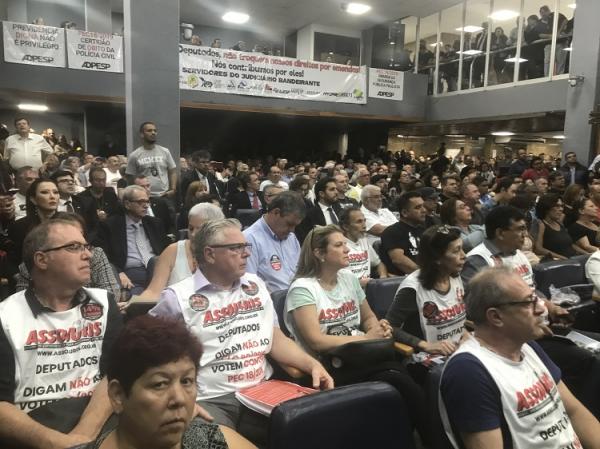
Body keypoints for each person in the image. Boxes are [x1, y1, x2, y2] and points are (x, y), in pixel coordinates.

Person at [150, 219, 333, 438]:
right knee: (206, 440)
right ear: (210, 254)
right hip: (209, 398)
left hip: (261, 390)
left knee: (319, 429)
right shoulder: (177, 298)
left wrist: (312, 364)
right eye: (236, 248)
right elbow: (149, 359)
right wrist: (179, 399)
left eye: (246, 246)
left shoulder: (256, 284)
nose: (246, 253)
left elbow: (275, 338)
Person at [284, 224, 429, 445]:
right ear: (319, 253)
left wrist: (376, 328)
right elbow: (317, 341)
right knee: (398, 381)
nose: (347, 249)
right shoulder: (303, 289)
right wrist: (367, 338)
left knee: (400, 382)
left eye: (346, 244)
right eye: (339, 245)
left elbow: (368, 317)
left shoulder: (348, 278)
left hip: (361, 357)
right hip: (328, 366)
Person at [440, 267, 600, 449]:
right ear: (496, 317)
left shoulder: (527, 346)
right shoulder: (468, 371)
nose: (541, 309)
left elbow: (573, 411)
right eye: (529, 302)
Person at [0, 219, 123, 449]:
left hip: (98, 421)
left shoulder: (104, 303)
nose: (88, 255)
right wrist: (60, 443)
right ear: (41, 260)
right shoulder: (5, 316)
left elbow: (115, 375)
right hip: (31, 430)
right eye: (74, 247)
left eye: (86, 247)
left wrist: (82, 436)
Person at [73, 315, 256, 449]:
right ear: (118, 395)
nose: (179, 399)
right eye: (159, 384)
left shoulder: (210, 441)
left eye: (186, 381)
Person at [386, 225, 466, 354]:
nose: (464, 255)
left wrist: (466, 335)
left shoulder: (455, 276)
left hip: (458, 349)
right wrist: (425, 345)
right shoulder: (413, 288)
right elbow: (389, 327)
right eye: (456, 251)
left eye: (462, 249)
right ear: (437, 258)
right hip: (425, 356)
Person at [15, 212, 120, 299]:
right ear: (41, 260)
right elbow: (23, 303)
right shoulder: (31, 265)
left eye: (80, 234)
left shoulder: (96, 254)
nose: (88, 255)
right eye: (73, 245)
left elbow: (111, 295)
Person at [138, 203, 225, 300]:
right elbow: (153, 291)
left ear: (216, 230)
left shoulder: (226, 253)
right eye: (191, 228)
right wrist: (136, 303)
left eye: (200, 229)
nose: (193, 234)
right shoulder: (172, 251)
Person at [98, 185, 170, 294]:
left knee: (155, 262)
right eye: (141, 202)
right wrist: (118, 273)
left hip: (157, 272)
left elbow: (166, 250)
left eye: (147, 201)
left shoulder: (155, 223)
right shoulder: (110, 226)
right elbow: (104, 256)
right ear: (127, 204)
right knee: (137, 298)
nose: (146, 206)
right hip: (131, 276)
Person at [243, 191, 305, 292]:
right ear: (276, 212)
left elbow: (301, 271)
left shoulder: (291, 237)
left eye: (295, 226)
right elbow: (250, 283)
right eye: (289, 224)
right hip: (271, 299)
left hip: (299, 294)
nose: (292, 230)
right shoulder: (249, 239)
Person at [7, 178, 59, 266]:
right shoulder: (19, 227)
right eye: (45, 192)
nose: (52, 196)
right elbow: (15, 260)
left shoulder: (69, 222)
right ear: (33, 199)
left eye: (56, 192)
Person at [338, 206, 388, 287]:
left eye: (365, 221)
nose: (364, 226)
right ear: (346, 227)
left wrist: (383, 277)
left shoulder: (363, 240)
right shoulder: (339, 245)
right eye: (359, 222)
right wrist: (359, 283)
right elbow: (338, 280)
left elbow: (379, 264)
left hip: (369, 288)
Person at [126, 122, 177, 198]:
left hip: (164, 195)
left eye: (155, 131)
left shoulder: (165, 151)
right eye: (149, 130)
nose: (153, 133)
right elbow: (130, 177)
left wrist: (173, 189)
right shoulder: (134, 155)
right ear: (142, 134)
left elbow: (172, 171)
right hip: (145, 196)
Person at [380, 191, 426, 275]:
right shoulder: (392, 231)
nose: (424, 210)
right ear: (404, 213)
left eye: (423, 206)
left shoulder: (423, 230)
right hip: (404, 278)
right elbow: (398, 260)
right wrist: (425, 274)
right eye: (418, 207)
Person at [296, 177, 342, 243]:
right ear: (321, 194)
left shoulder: (340, 210)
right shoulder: (310, 215)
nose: (336, 192)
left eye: (336, 189)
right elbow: (307, 240)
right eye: (332, 189)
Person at [534, 193, 577, 259]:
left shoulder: (560, 224)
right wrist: (563, 258)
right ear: (546, 208)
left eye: (562, 206)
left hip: (573, 258)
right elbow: (538, 249)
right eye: (557, 206)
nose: (561, 209)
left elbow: (570, 245)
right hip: (559, 261)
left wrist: (586, 253)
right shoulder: (541, 224)